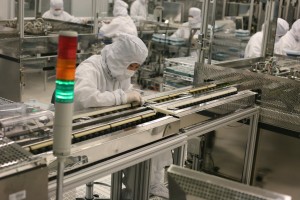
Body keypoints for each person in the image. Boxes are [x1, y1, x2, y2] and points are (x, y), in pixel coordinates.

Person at [74, 34, 147, 110]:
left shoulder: (122, 72)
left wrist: (134, 94)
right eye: (131, 66)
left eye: (136, 67)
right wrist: (122, 98)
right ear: (119, 59)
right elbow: (84, 98)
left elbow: (126, 91)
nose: (132, 71)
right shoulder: (89, 68)